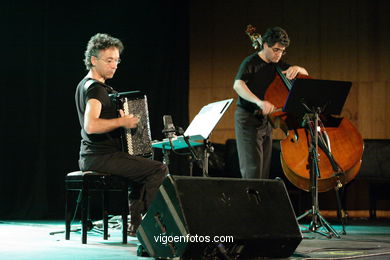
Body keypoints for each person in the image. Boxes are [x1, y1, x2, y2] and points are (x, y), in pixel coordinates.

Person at [75, 33, 168, 236]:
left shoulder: (84, 85)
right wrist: (122, 122)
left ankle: (135, 225)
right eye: (109, 60)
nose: (114, 65)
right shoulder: (96, 90)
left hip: (92, 156)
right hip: (100, 157)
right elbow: (90, 126)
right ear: (93, 60)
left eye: (117, 60)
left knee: (139, 164)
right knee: (158, 169)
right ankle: (154, 228)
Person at [233, 26, 308, 180]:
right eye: (275, 50)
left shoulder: (278, 64)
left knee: (263, 173)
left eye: (282, 50)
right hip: (247, 119)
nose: (278, 54)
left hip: (266, 121)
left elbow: (305, 74)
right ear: (265, 44)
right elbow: (238, 85)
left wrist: (297, 68)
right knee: (252, 172)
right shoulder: (251, 62)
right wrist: (259, 102)